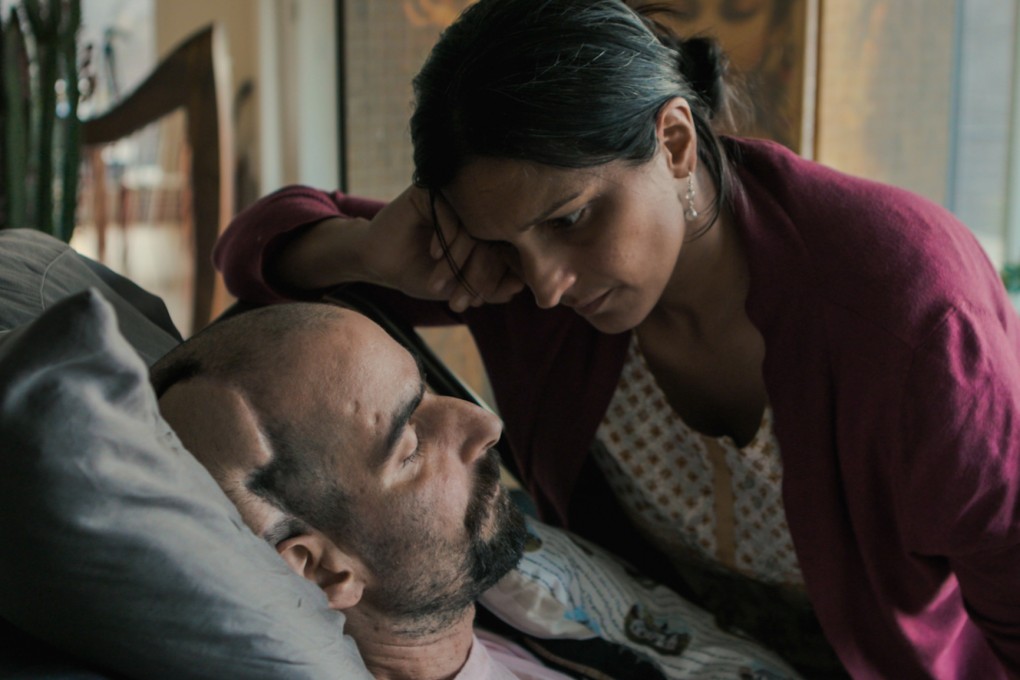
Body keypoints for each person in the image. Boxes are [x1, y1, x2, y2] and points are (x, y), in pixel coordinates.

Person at [211, 0, 1020, 676]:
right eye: (507, 245)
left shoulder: (910, 315)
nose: (547, 283)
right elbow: (257, 248)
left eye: (572, 221)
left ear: (673, 142)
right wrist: (366, 252)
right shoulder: (520, 274)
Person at [149, 302, 802, 680]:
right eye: (409, 441)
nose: (483, 424)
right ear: (322, 569)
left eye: (428, 390)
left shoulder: (500, 591)